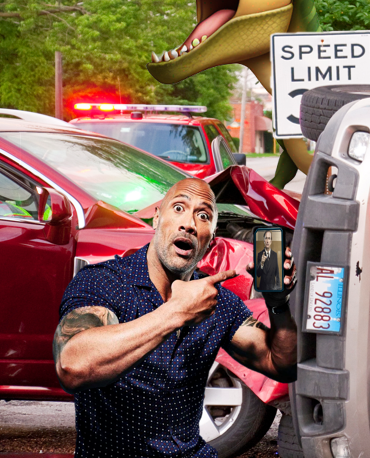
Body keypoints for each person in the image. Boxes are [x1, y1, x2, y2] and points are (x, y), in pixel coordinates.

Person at [52, 178, 297, 457]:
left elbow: (281, 364)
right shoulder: (103, 283)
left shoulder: (216, 300)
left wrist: (279, 305)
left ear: (211, 239)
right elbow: (72, 367)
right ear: (157, 219)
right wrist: (176, 313)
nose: (189, 223)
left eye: (203, 216)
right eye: (178, 208)